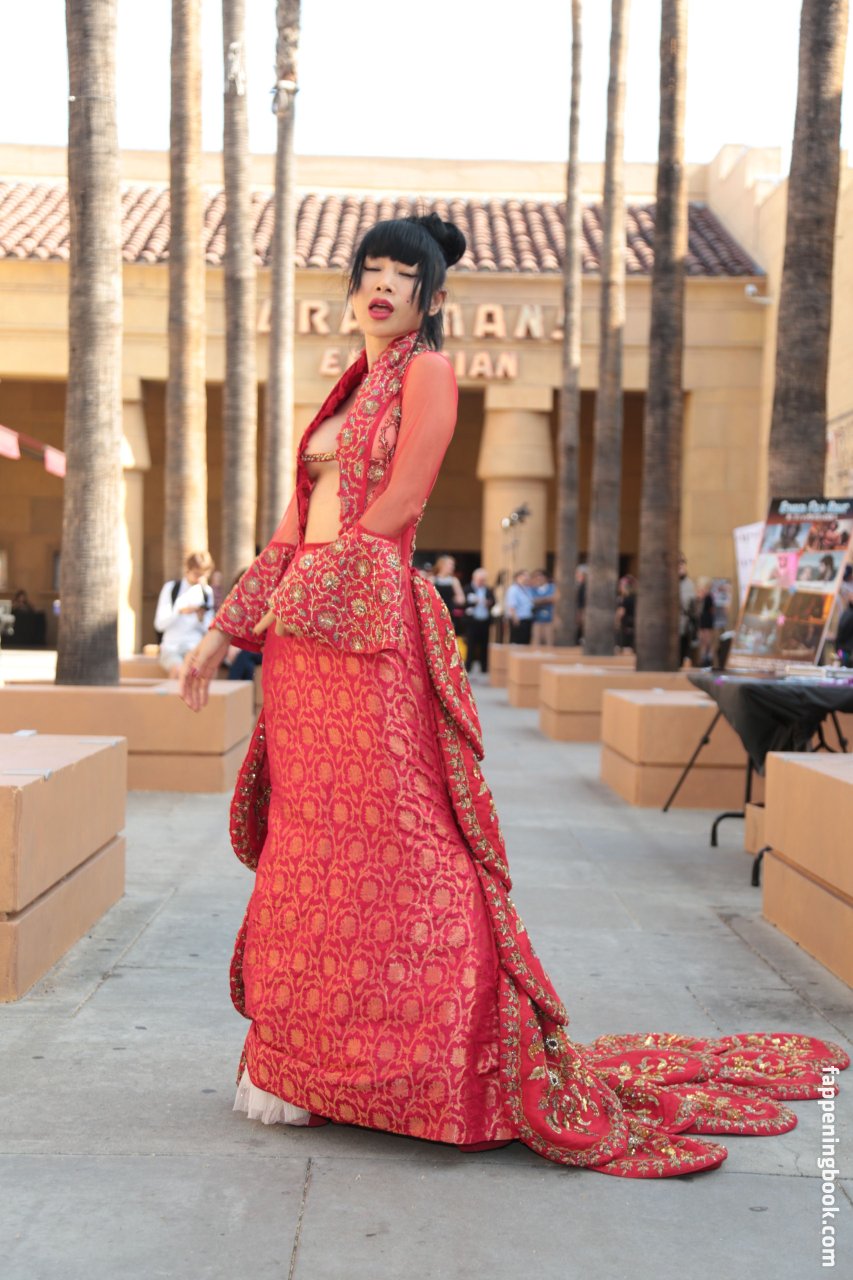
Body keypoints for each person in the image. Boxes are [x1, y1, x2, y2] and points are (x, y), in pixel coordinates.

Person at [177, 213, 845, 1178]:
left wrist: (306, 599)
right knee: (311, 847)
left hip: (368, 630)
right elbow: (291, 528)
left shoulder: (429, 373)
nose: (381, 286)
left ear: (431, 298)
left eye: (402, 275)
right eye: (369, 270)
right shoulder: (347, 384)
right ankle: (308, 1066)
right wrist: (220, 634)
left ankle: (438, 1063)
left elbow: (401, 502)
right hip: (302, 650)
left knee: (405, 842)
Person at [154, 551, 215, 677]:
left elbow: (209, 628)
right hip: (171, 647)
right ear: (188, 570)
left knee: (197, 673)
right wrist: (179, 611)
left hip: (195, 647)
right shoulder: (171, 588)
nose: (199, 578)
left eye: (203, 575)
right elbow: (159, 625)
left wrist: (201, 618)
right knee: (178, 671)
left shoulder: (207, 592)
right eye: (196, 574)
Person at [464, 567, 495, 674]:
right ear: (474, 578)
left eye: (483, 580)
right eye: (480, 580)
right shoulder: (467, 588)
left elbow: (493, 601)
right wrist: (473, 602)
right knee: (471, 644)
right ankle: (468, 666)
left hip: (484, 620)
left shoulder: (487, 589)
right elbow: (463, 602)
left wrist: (489, 602)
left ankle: (484, 667)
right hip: (472, 621)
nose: (482, 582)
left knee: (484, 644)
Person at [432, 554, 467, 634]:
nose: (453, 567)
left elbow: (462, 599)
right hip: (435, 613)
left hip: (449, 614)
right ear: (442, 565)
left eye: (453, 565)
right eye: (450, 564)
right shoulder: (433, 579)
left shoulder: (454, 581)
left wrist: (457, 599)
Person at [504, 569, 534, 644]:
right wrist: (515, 618)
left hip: (527, 618)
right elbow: (512, 605)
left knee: (525, 641)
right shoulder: (513, 589)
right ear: (518, 577)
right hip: (518, 619)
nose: (527, 577)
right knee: (517, 641)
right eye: (525, 575)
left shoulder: (527, 589)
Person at [678, 553, 697, 665]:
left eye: (682, 562)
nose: (680, 565)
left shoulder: (689, 584)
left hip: (683, 627)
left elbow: (692, 608)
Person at [530, 569, 556, 647]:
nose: (538, 579)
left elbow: (554, 599)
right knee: (536, 641)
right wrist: (546, 600)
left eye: (541, 577)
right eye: (536, 577)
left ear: (545, 578)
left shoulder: (552, 587)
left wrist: (540, 600)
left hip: (550, 618)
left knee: (549, 641)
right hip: (537, 619)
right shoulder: (533, 589)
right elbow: (533, 601)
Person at [696, 577, 716, 668]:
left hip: (707, 620)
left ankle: (708, 659)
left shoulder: (709, 597)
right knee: (701, 640)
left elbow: (712, 610)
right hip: (702, 620)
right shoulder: (700, 597)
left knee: (707, 640)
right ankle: (703, 658)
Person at [614, 575, 636, 652]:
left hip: (626, 626)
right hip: (633, 625)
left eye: (621, 585)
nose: (620, 587)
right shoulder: (635, 598)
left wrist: (616, 621)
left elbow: (621, 612)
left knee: (625, 648)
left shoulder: (625, 599)